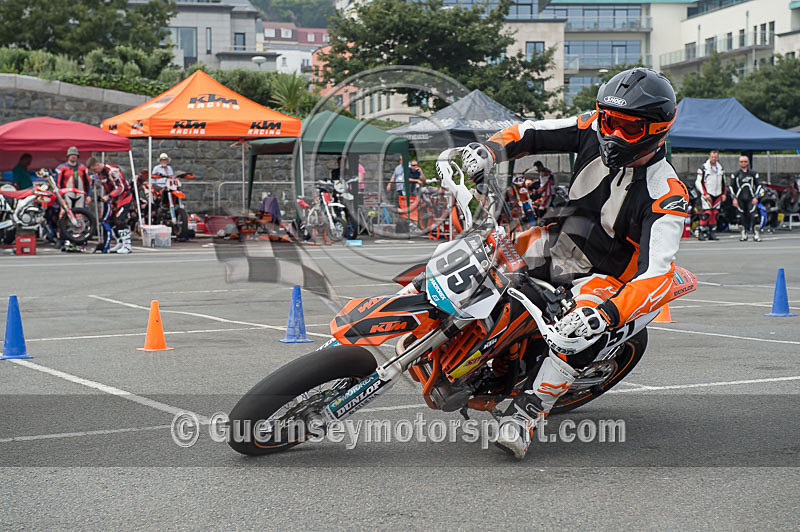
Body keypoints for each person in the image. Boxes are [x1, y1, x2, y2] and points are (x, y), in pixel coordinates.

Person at [460, 67, 686, 459]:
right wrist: (488, 151)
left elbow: (657, 275)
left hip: (606, 279)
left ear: (656, 130)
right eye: (608, 120)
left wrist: (607, 313)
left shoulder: (667, 193)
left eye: (628, 128)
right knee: (477, 260)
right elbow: (527, 133)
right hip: (554, 242)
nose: (612, 133)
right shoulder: (589, 126)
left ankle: (529, 412)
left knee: (577, 332)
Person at [87, 157, 133, 254]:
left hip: (124, 196)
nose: (95, 172)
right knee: (110, 221)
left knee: (119, 219)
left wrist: (109, 196)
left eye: (95, 170)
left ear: (98, 165)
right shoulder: (100, 173)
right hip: (114, 199)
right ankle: (120, 242)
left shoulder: (112, 171)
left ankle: (127, 245)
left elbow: (121, 187)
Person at [730, 155, 763, 242]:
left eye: (745, 161)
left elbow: (759, 185)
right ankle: (743, 233)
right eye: (741, 162)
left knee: (754, 215)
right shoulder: (735, 174)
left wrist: (756, 197)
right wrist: (734, 198)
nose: (743, 163)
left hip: (751, 198)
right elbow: (731, 187)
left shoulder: (753, 173)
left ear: (748, 162)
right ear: (739, 163)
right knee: (740, 216)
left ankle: (756, 233)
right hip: (739, 198)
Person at [695, 149, 726, 240]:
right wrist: (704, 193)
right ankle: (701, 231)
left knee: (715, 214)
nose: (714, 158)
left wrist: (724, 194)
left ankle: (712, 233)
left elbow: (723, 183)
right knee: (707, 213)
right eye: (713, 157)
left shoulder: (721, 168)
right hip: (707, 194)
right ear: (709, 157)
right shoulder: (703, 168)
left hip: (718, 194)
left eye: (716, 157)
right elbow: (698, 182)